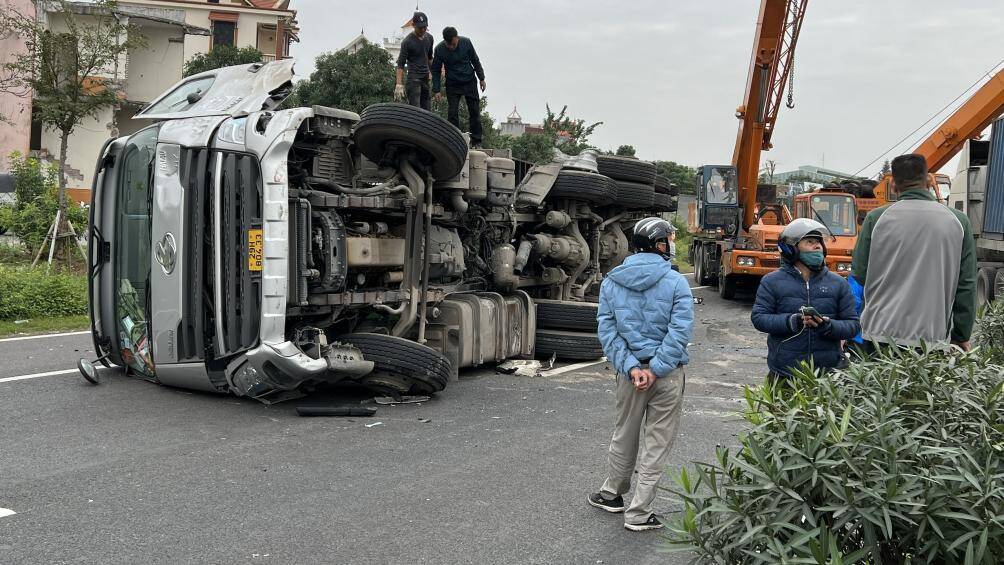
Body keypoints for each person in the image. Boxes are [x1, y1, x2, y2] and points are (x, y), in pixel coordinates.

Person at [588, 217, 693, 532]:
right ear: (660, 244)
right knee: (656, 442)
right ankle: (639, 513)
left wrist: (633, 367)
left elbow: (607, 331)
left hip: (629, 374)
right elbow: (680, 331)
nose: (673, 243)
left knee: (624, 433)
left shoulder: (611, 282)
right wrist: (656, 368)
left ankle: (611, 494)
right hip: (667, 374)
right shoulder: (676, 282)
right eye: (671, 238)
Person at [852, 153, 977, 352]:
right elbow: (967, 285)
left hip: (878, 335)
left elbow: (859, 274)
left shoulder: (876, 219)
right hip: (931, 338)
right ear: (928, 180)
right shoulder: (958, 222)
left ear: (893, 185)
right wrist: (961, 335)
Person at [751, 219, 860, 379]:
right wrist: (791, 322)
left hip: (827, 376)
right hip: (784, 373)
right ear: (791, 249)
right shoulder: (771, 282)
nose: (817, 246)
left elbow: (853, 325)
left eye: (819, 242)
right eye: (810, 242)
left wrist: (828, 326)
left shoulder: (838, 283)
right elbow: (759, 318)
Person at [431, 26, 486, 147]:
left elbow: (475, 61)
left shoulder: (466, 42)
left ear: (457, 38)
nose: (451, 47)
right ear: (445, 41)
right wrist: (436, 90)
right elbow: (435, 70)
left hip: (469, 81)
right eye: (449, 45)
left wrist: (481, 78)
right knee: (452, 113)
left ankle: (476, 141)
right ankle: (454, 140)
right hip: (453, 84)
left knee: (474, 111)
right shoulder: (439, 50)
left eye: (454, 44)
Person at [394, 11, 434, 110]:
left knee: (427, 110)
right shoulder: (407, 42)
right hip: (413, 79)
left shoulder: (429, 38)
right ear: (413, 26)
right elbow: (400, 64)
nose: (423, 29)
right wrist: (399, 84)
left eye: (425, 27)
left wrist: (432, 72)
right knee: (416, 110)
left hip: (425, 78)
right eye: (420, 27)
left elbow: (430, 58)